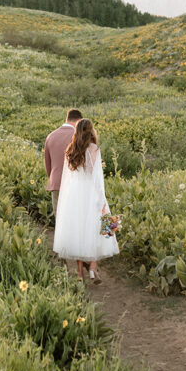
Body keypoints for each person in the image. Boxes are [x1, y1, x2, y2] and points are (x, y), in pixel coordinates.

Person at [53, 118, 119, 283]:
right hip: (91, 193)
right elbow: (97, 178)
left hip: (75, 195)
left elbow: (68, 179)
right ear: (91, 131)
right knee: (98, 228)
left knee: (78, 232)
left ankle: (80, 274)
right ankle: (93, 268)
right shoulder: (94, 149)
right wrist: (101, 199)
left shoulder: (70, 149)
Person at [44, 108, 83, 218]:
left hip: (56, 182)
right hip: (75, 183)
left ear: (67, 119)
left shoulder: (50, 136)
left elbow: (48, 164)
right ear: (79, 121)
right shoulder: (78, 136)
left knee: (60, 220)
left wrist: (53, 179)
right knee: (75, 219)